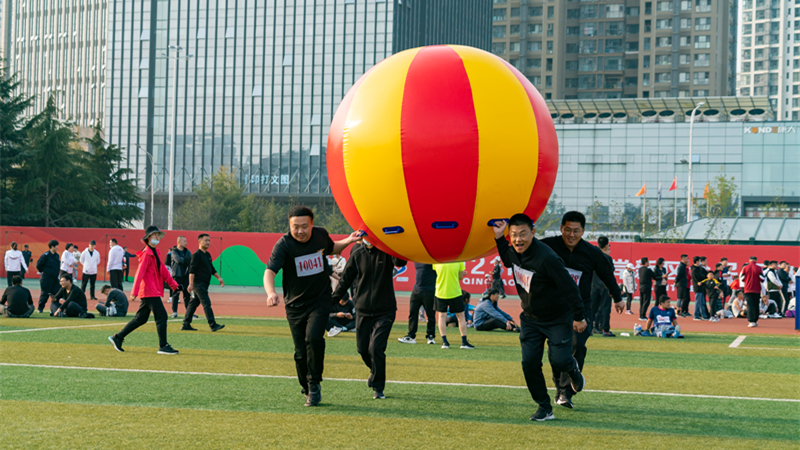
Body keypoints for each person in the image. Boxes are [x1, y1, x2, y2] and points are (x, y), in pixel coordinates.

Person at [263, 205, 362, 407]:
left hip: (320, 299)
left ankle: (314, 384)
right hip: (295, 305)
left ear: (312, 224)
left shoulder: (320, 235)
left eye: (304, 226)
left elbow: (332, 247)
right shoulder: (283, 245)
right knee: (300, 352)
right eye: (295, 227)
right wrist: (271, 292)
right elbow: (270, 272)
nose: (300, 231)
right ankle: (307, 385)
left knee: (314, 338)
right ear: (289, 226)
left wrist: (349, 240)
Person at [493, 214, 586, 421]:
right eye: (514, 235)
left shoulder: (548, 258)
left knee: (560, 360)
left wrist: (579, 317)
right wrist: (499, 238)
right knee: (529, 363)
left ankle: (572, 369)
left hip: (557, 318)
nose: (518, 239)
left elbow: (570, 288)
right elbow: (508, 261)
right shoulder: (515, 252)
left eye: (523, 234)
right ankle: (544, 407)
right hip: (530, 319)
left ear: (533, 233)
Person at [540, 211, 623, 409]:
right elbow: (524, 249)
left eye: (576, 231)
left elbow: (607, 274)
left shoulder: (591, 252)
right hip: (555, 309)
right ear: (561, 229)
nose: (571, 235)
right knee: (556, 351)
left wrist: (618, 297)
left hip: (582, 309)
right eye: (567, 230)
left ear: (583, 231)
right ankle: (560, 388)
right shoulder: (548, 246)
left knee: (577, 344)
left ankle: (567, 391)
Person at [331, 239, 407, 399]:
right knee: (362, 349)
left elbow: (401, 261)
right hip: (363, 310)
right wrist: (332, 301)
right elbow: (346, 279)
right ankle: (375, 370)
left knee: (376, 348)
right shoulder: (357, 253)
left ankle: (378, 388)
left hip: (385, 311)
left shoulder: (387, 250)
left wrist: (394, 243)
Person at [108, 226, 181, 355]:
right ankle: (163, 345)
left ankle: (118, 337)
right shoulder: (147, 254)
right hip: (148, 291)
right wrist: (134, 292)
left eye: (158, 235)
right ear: (148, 238)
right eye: (155, 236)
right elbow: (139, 273)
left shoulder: (156, 253)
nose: (157, 238)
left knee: (141, 318)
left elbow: (163, 271)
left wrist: (174, 285)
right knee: (162, 316)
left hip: (151, 291)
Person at [182, 234, 226, 332]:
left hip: (204, 284)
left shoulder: (207, 255)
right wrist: (191, 284)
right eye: (206, 240)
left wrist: (219, 278)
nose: (208, 242)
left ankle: (186, 324)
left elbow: (211, 269)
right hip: (198, 284)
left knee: (193, 304)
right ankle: (213, 324)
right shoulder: (197, 254)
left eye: (209, 241)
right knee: (206, 303)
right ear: (199, 242)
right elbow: (192, 270)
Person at [432, 261, 475, 350]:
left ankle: (444, 342)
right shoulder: (458, 261)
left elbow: (436, 272)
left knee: (441, 317)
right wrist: (462, 274)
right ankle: (464, 342)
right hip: (454, 293)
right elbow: (460, 277)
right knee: (461, 316)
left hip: (440, 292)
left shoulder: (436, 261)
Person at [399, 263, 437, 345]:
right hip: (416, 290)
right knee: (413, 314)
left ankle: (430, 336)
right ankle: (411, 336)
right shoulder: (417, 260)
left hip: (429, 291)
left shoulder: (433, 260)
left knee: (431, 315)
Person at [590, 236, 615, 337]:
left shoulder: (593, 257)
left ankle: (589, 328)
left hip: (593, 286)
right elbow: (610, 273)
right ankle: (605, 329)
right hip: (605, 286)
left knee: (592, 308)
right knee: (605, 308)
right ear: (606, 245)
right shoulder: (608, 258)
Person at [169, 236, 193, 319]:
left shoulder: (187, 251)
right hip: (178, 276)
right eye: (184, 241)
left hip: (186, 277)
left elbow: (191, 260)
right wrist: (186, 260)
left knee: (187, 295)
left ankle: (189, 312)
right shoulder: (174, 251)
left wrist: (185, 260)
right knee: (176, 294)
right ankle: (175, 312)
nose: (186, 242)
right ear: (179, 241)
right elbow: (178, 260)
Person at [35, 240, 61, 313]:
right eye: (56, 246)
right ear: (52, 246)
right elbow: (39, 265)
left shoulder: (57, 255)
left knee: (56, 294)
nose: (57, 247)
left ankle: (54, 309)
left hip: (55, 278)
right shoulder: (45, 255)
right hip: (46, 278)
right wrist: (42, 271)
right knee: (45, 294)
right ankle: (40, 309)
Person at [740, 256, 764, 328]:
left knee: (749, 305)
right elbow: (762, 278)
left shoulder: (745, 268)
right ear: (756, 260)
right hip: (756, 289)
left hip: (747, 289)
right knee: (756, 305)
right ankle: (755, 320)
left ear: (749, 260)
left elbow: (742, 278)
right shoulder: (759, 268)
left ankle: (751, 321)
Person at [692, 256, 710, 321]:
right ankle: (696, 316)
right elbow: (700, 277)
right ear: (697, 261)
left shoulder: (699, 268)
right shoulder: (695, 269)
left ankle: (703, 315)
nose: (700, 262)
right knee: (698, 302)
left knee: (702, 302)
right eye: (699, 261)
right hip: (698, 288)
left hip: (701, 288)